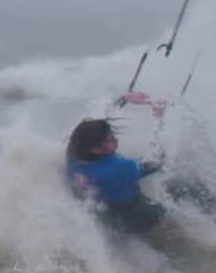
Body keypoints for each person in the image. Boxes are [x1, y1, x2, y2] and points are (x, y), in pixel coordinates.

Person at [66, 91, 168, 235]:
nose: (116, 140)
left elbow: (96, 125)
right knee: (167, 208)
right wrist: (159, 116)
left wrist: (123, 99)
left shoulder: (74, 150)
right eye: (110, 140)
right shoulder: (119, 168)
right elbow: (159, 162)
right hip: (129, 211)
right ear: (95, 149)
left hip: (99, 208)